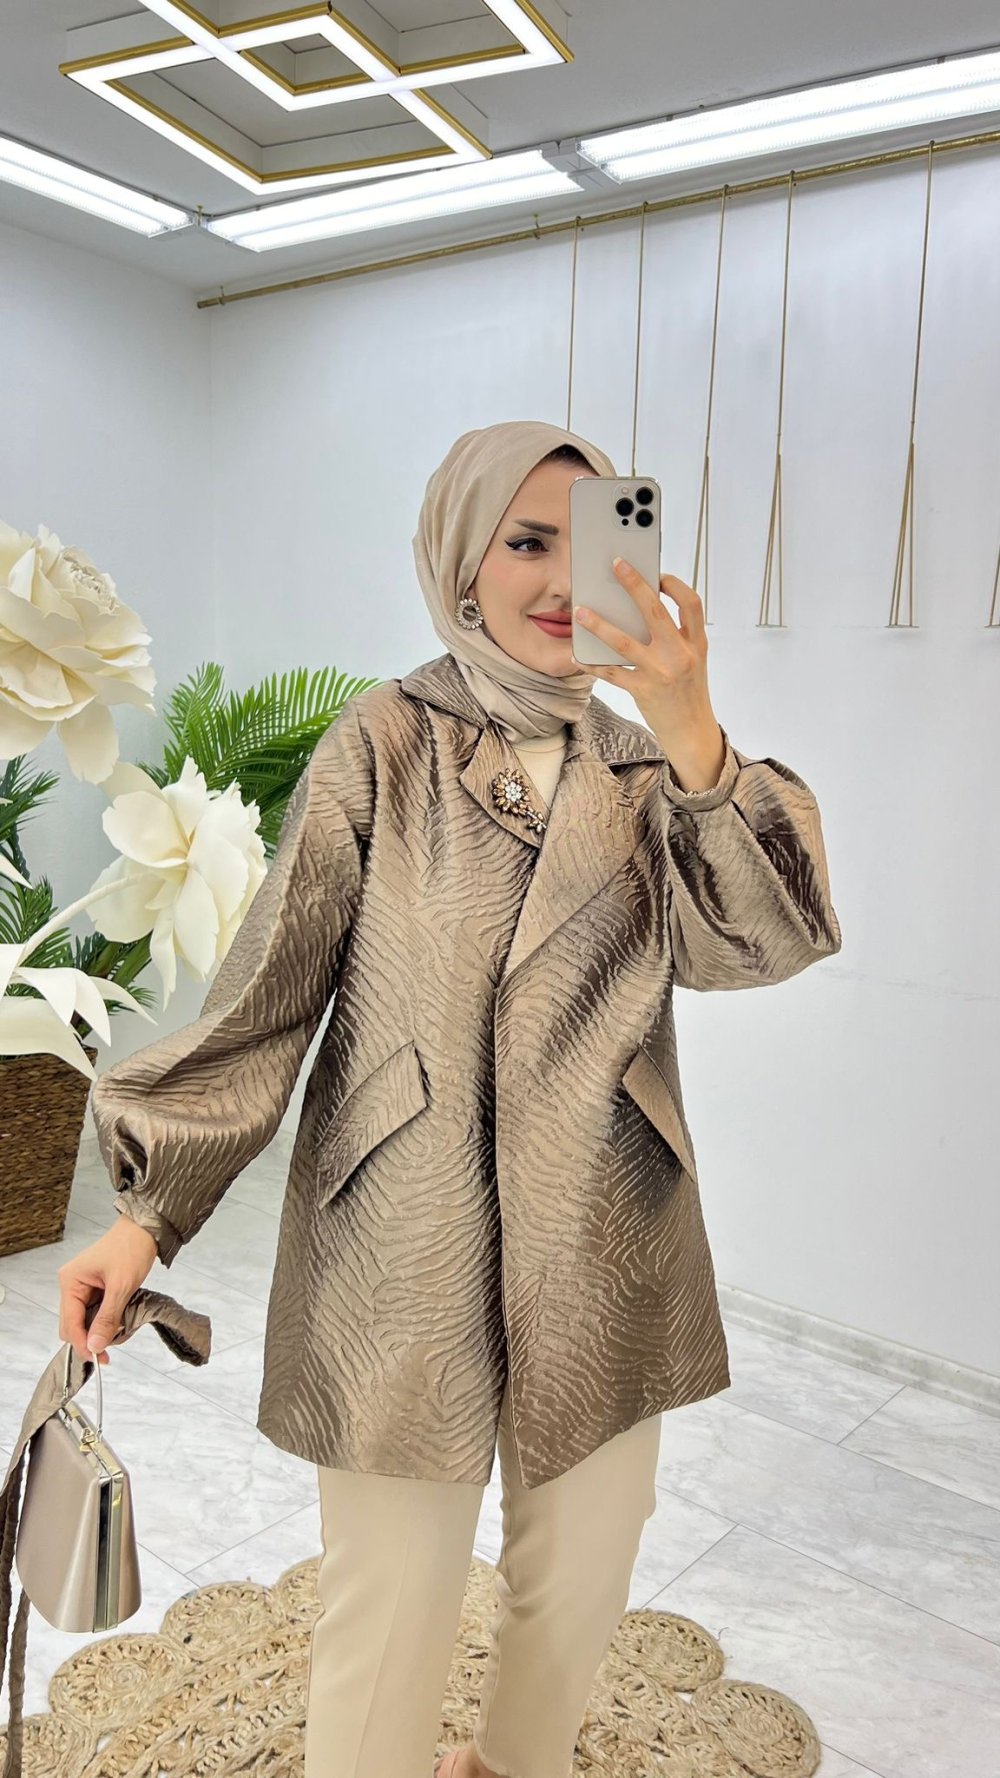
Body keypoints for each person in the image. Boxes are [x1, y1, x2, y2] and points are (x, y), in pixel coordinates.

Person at [58, 418, 842, 1778]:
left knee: (582, 1574)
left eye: (585, 540)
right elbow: (273, 987)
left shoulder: (651, 765)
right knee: (390, 1597)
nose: (559, 578)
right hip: (403, 1233)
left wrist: (693, 730)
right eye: (525, 541)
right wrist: (147, 1211)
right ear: (460, 561)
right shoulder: (384, 739)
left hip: (604, 1219)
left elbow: (759, 943)